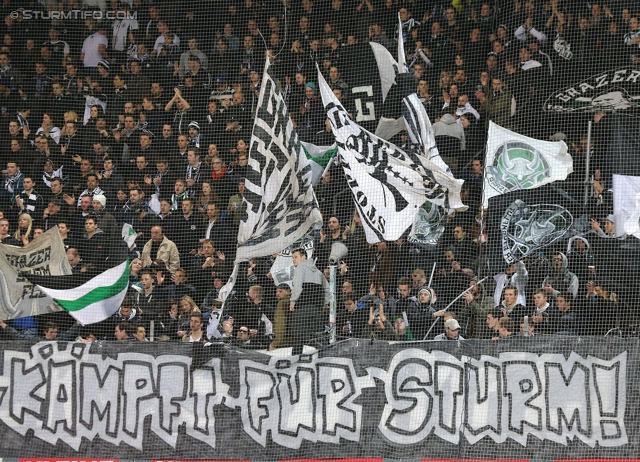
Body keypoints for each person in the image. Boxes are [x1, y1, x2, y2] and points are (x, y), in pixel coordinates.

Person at [289, 248, 330, 354]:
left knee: (298, 338)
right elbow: (327, 289)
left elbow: (298, 286)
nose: (294, 260)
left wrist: (293, 302)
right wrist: (324, 305)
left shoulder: (300, 268)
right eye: (293, 258)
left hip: (302, 309)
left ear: (304, 257)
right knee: (317, 337)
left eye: (296, 257)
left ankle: (294, 363)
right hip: (316, 310)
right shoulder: (318, 272)